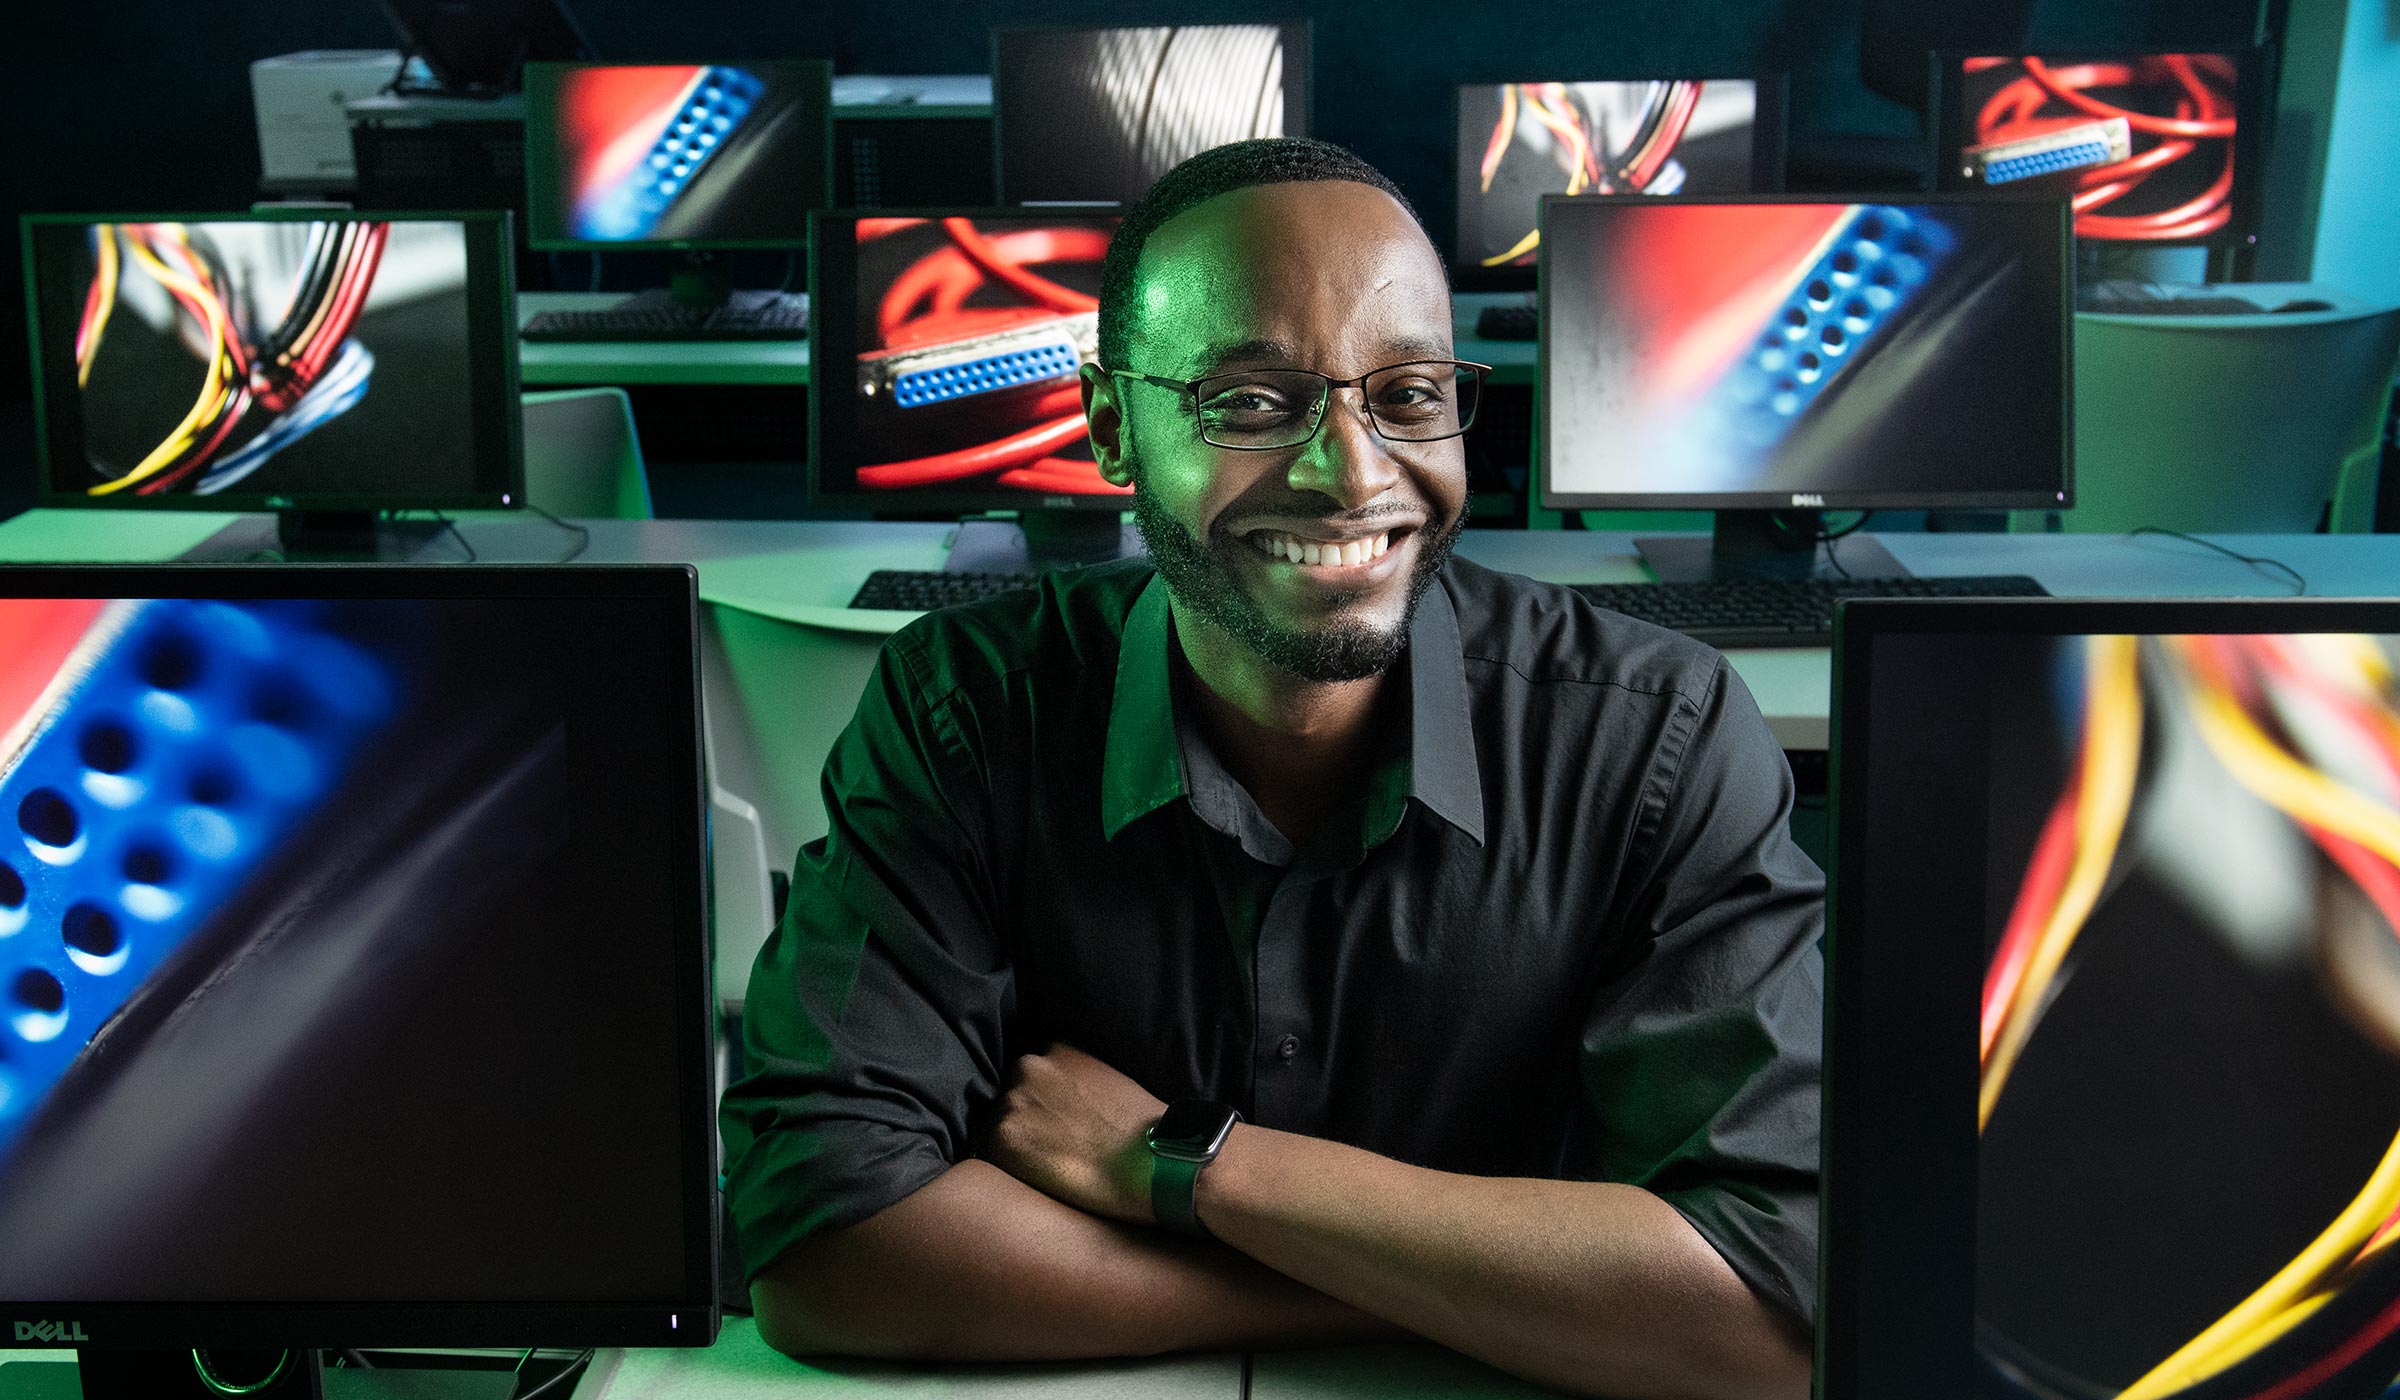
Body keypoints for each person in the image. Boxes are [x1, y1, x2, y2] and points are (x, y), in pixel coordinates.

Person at [720, 137, 1822, 1400]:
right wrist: (1440, 1290)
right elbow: (822, 1245)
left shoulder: (1653, 736)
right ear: (1106, 425)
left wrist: (1188, 1164)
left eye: (1407, 392)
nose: (1349, 472)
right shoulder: (965, 711)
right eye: (1247, 403)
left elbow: (1765, 1306)